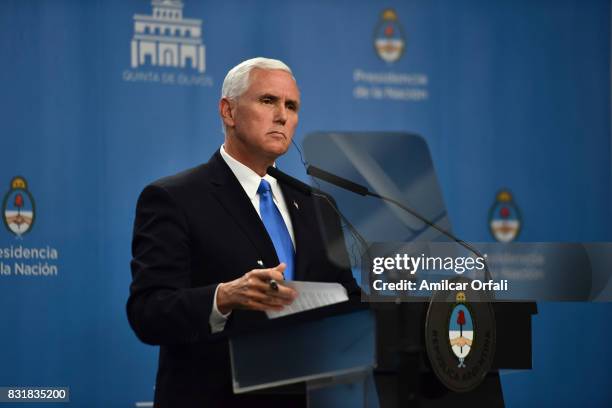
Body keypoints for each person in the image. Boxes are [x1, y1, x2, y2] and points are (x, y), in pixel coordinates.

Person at [127, 57, 359, 407]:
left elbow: (348, 300)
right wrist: (223, 296)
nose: (282, 115)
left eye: (291, 106)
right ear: (228, 111)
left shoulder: (316, 204)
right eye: (268, 101)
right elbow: (149, 312)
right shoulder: (175, 198)